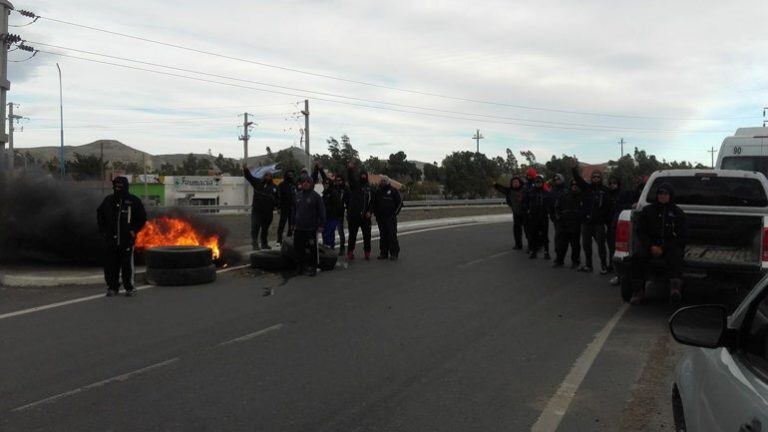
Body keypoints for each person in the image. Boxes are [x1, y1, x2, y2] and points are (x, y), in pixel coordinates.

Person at [630, 183, 687, 305]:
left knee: (676, 256)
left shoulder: (678, 213)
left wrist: (663, 248)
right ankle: (638, 291)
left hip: (669, 246)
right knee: (637, 257)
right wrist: (651, 246)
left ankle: (675, 290)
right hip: (650, 246)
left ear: (670, 195)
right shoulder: (647, 211)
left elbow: (682, 235)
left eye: (665, 193)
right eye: (660, 193)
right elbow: (641, 231)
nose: (662, 196)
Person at [97, 176, 147, 297]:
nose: (118, 188)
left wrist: (134, 231)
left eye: (120, 186)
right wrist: (104, 231)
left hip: (127, 241)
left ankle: (129, 288)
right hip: (111, 241)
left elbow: (142, 218)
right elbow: (100, 215)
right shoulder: (108, 201)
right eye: (116, 186)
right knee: (110, 266)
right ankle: (112, 288)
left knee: (127, 266)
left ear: (126, 186)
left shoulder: (133, 201)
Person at [572, 164, 610, 273]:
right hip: (586, 222)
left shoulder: (605, 190)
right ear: (591, 178)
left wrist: (603, 219)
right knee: (586, 245)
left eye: (598, 177)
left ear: (601, 178)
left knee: (601, 246)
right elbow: (578, 179)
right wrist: (574, 168)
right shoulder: (586, 188)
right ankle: (589, 265)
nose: (596, 178)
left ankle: (604, 265)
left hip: (599, 223)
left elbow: (609, 207)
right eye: (594, 177)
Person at [292, 173, 326, 276]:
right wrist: (293, 223)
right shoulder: (297, 196)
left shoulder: (316, 197)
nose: (305, 183)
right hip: (299, 228)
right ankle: (300, 267)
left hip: (311, 228)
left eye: (308, 182)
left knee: (312, 249)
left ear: (311, 183)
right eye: (304, 182)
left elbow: (322, 212)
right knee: (299, 249)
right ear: (301, 184)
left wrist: (321, 225)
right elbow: (294, 211)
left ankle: (313, 267)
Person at [244, 166, 278, 250]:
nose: (268, 176)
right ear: (264, 176)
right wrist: (246, 170)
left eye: (270, 175)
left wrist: (277, 206)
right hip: (257, 211)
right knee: (255, 228)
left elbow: (277, 198)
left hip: (268, 212)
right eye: (266, 175)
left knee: (265, 230)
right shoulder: (258, 183)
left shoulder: (274, 187)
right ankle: (255, 244)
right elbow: (249, 177)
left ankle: (264, 244)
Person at [346, 161, 374, 260]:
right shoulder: (355, 185)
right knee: (352, 236)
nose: (363, 177)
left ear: (366, 176)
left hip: (365, 217)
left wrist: (370, 212)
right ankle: (350, 252)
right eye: (361, 175)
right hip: (354, 216)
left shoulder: (369, 188)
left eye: (364, 175)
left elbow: (372, 202)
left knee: (367, 236)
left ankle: (367, 253)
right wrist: (350, 169)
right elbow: (350, 178)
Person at [551, 180, 582, 268]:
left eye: (576, 184)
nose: (574, 186)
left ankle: (575, 261)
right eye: (573, 184)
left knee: (575, 244)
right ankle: (559, 260)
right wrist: (558, 218)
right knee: (561, 243)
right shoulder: (564, 195)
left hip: (575, 224)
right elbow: (557, 207)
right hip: (563, 223)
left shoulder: (582, 196)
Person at [373, 175, 402, 260]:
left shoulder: (393, 191)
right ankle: (383, 253)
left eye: (384, 181)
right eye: (381, 181)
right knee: (383, 236)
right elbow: (374, 204)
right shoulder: (378, 192)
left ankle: (394, 253)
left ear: (388, 182)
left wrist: (394, 214)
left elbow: (399, 203)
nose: (382, 182)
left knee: (392, 235)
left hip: (390, 218)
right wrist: (376, 215)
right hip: (381, 218)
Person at [493, 175, 526, 250]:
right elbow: (501, 189)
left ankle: (532, 245)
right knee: (517, 230)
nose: (515, 183)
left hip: (525, 213)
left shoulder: (525, 189)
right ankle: (518, 245)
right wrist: (495, 184)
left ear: (520, 182)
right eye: (513, 182)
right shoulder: (509, 191)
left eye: (516, 182)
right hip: (516, 213)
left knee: (528, 230)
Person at [522, 174, 549, 259]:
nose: (538, 183)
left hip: (544, 216)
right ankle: (534, 251)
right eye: (536, 181)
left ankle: (546, 252)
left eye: (540, 182)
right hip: (533, 217)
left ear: (542, 182)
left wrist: (548, 210)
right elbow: (524, 202)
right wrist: (527, 209)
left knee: (545, 235)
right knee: (534, 234)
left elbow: (551, 203)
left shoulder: (546, 192)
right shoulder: (530, 192)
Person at [276, 170, 297, 245]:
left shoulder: (294, 184)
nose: (290, 176)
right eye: (289, 174)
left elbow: (296, 195)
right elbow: (278, 197)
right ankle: (279, 240)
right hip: (284, 207)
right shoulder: (281, 185)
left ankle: (289, 239)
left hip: (292, 208)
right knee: (282, 224)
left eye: (291, 174)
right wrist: (278, 207)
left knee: (291, 225)